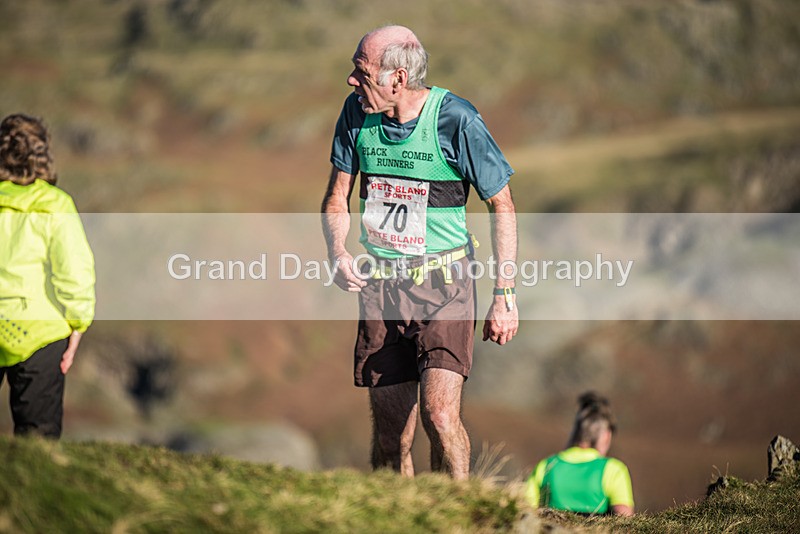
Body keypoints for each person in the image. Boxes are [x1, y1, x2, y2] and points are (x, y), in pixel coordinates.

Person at [321, 25, 518, 480]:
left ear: (398, 78)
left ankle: (459, 517)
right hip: (381, 289)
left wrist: (503, 294)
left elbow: (501, 204)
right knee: (393, 435)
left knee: (441, 416)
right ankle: (398, 518)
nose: (351, 81)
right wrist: (337, 250)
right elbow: (337, 198)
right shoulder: (355, 113)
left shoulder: (457, 120)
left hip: (446, 285)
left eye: (361, 71)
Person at [0, 113, 95, 438]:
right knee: (38, 439)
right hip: (41, 331)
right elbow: (74, 272)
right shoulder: (56, 205)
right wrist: (78, 324)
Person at [525, 392, 634, 516]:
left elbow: (526, 509)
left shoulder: (546, 466)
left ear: (575, 431)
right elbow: (624, 517)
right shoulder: (613, 469)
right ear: (606, 436)